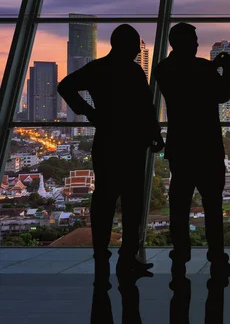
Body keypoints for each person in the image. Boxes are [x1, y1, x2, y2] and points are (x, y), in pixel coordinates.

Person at [58, 24, 164, 290]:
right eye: (136, 45)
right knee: (131, 203)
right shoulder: (132, 70)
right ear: (126, 45)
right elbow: (145, 106)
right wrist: (154, 133)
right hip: (132, 144)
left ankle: (101, 252)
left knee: (105, 198)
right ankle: (127, 257)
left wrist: (90, 112)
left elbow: (65, 87)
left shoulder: (98, 68)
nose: (137, 50)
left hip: (107, 141)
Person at [155, 22, 230, 284]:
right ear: (183, 42)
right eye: (193, 39)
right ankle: (216, 258)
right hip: (207, 147)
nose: (197, 43)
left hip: (181, 148)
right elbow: (224, 94)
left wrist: (212, 67)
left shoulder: (163, 70)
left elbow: (186, 75)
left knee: (179, 206)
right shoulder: (202, 68)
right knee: (213, 207)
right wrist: (226, 71)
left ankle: (180, 256)